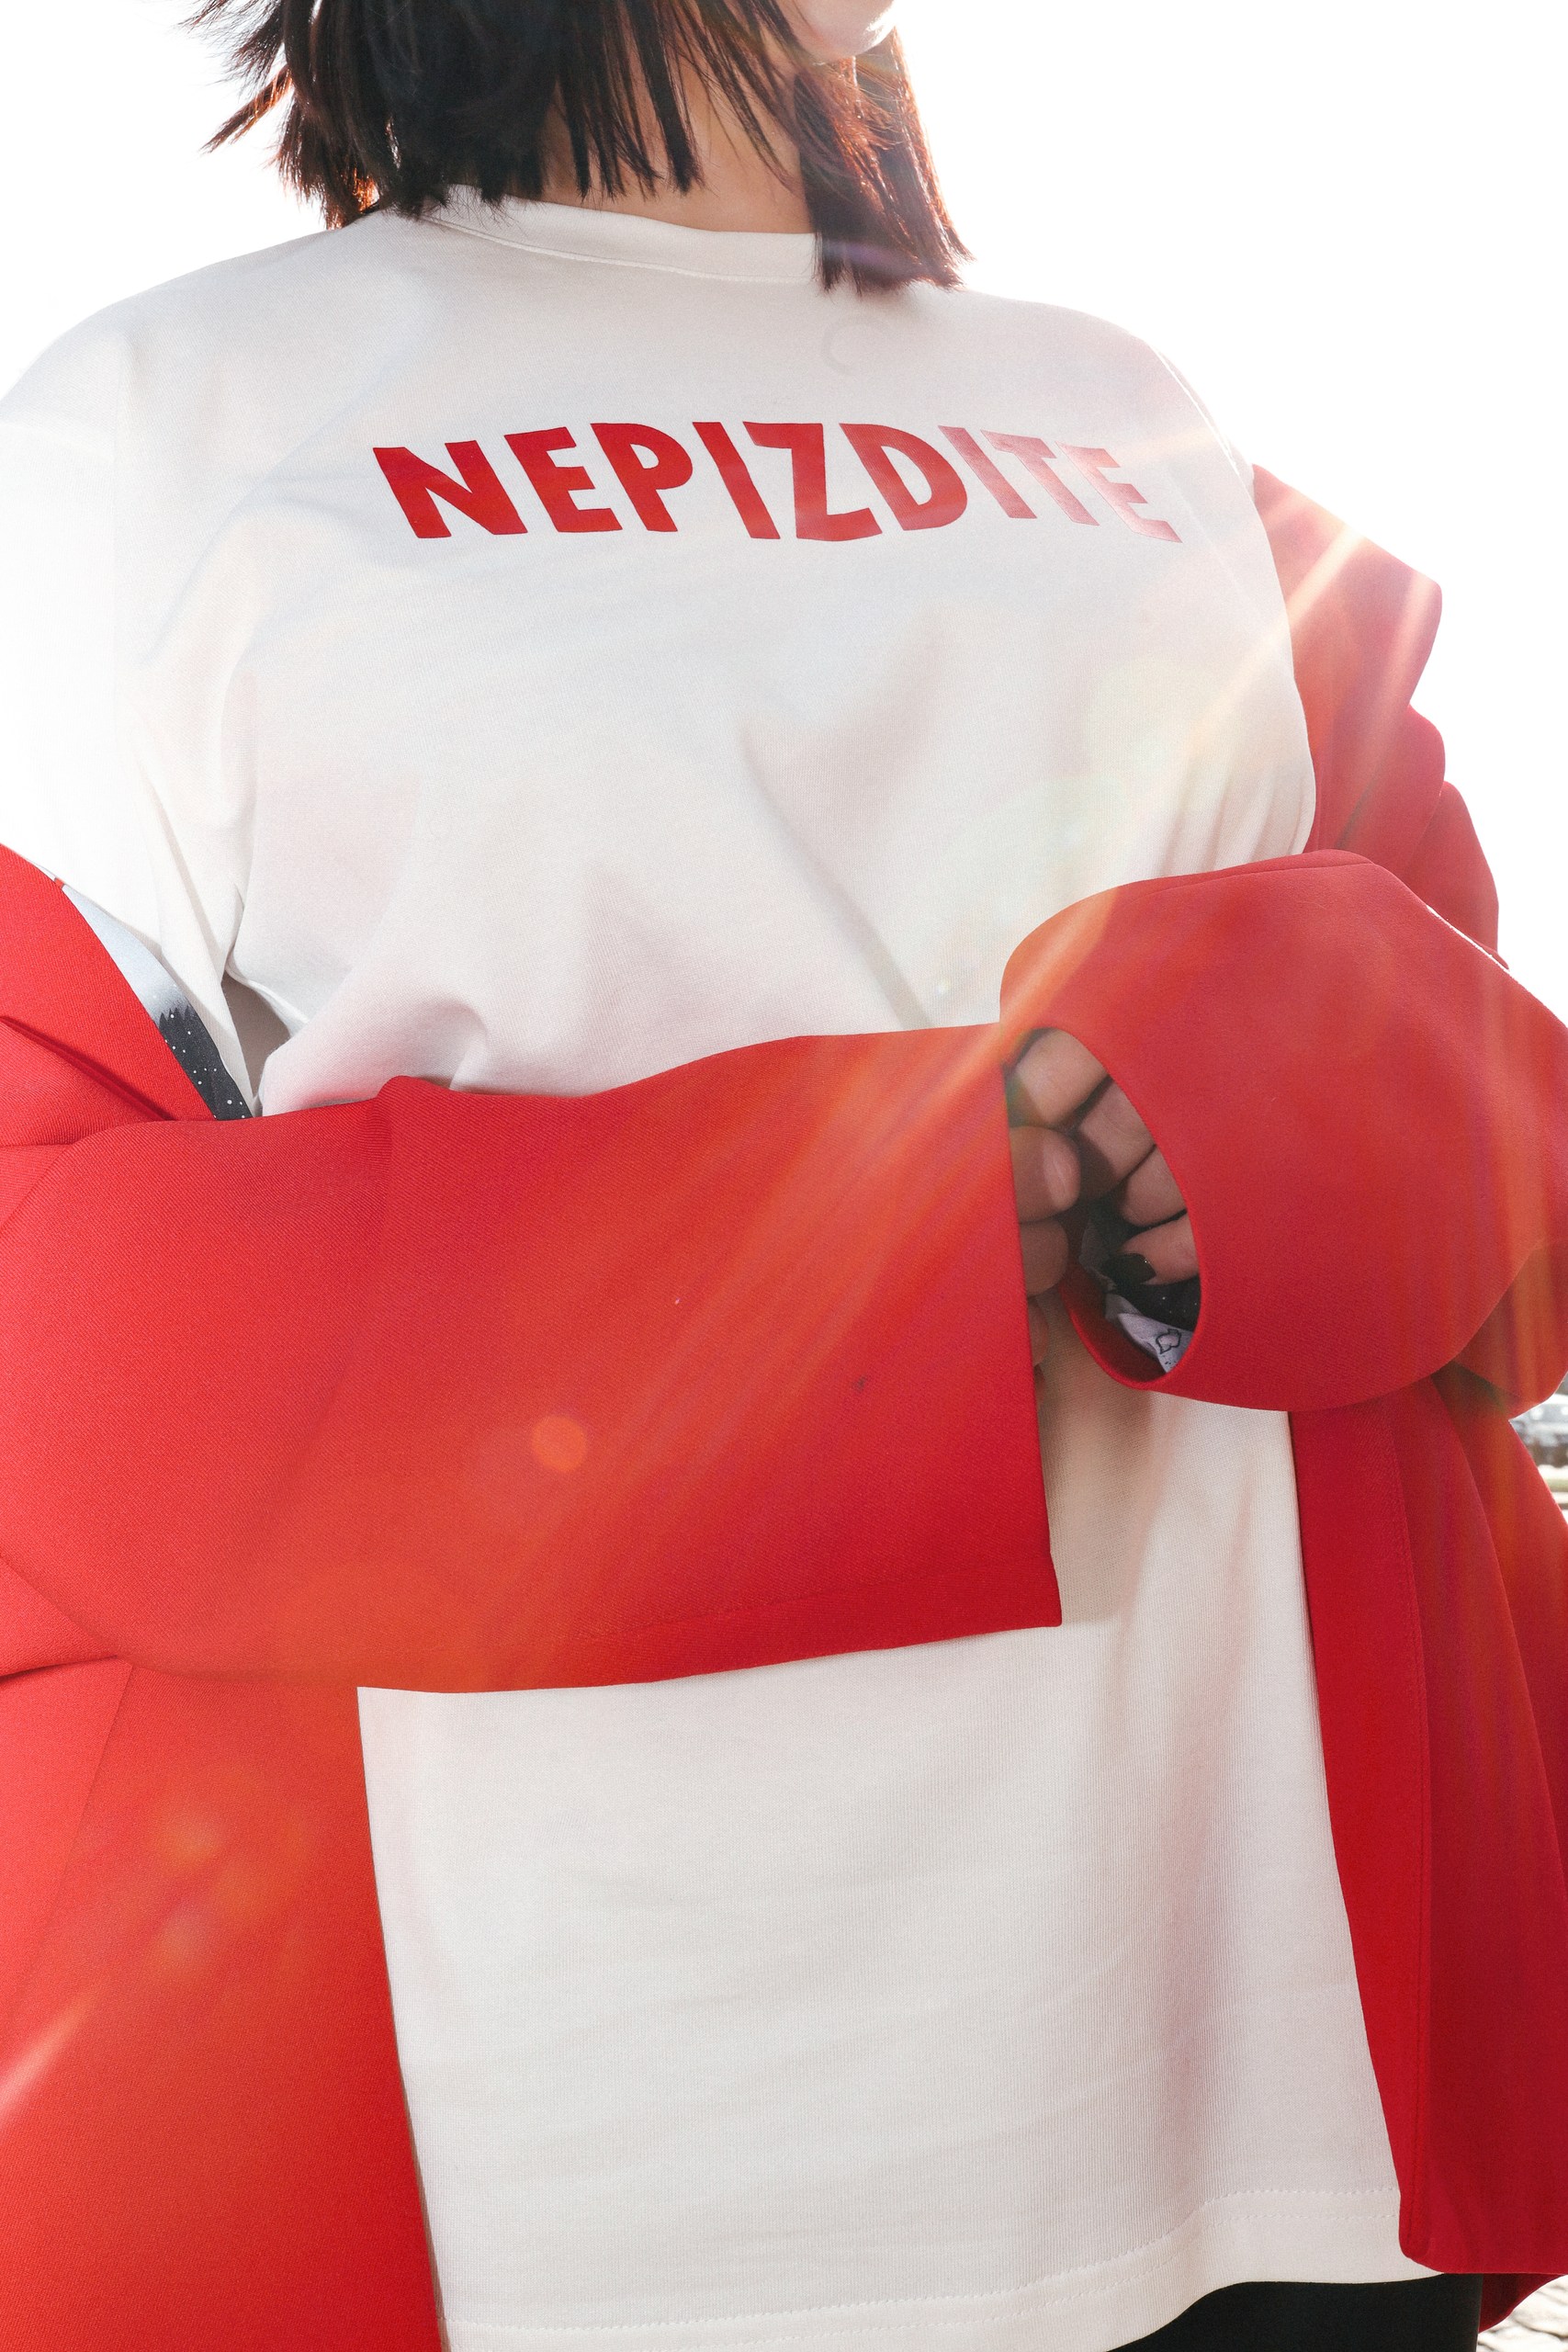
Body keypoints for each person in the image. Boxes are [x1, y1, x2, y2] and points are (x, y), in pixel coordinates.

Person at [0, 5, 1564, 2348]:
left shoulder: (1127, 400)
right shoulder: (145, 434)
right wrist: (887, 1223)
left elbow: (1491, 1149)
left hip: (1286, 2069)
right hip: (582, 2148)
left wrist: (1254, 1093)